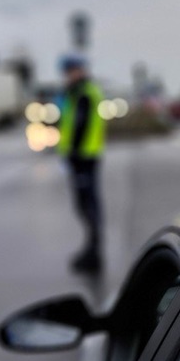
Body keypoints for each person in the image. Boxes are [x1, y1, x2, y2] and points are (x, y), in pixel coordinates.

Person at [58, 55, 106, 272]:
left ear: (79, 70)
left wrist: (73, 155)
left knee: (87, 206)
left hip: (83, 158)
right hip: (84, 157)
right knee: (86, 205)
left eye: (70, 71)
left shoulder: (84, 93)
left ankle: (94, 254)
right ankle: (92, 250)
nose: (67, 76)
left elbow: (79, 125)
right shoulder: (79, 92)